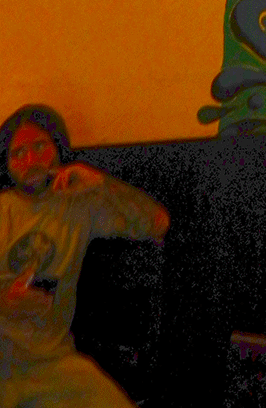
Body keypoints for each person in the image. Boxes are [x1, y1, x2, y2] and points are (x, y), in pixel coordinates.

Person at [0, 103, 170, 407]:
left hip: (52, 363)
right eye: (18, 153)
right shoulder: (3, 208)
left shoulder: (79, 204)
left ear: (58, 147)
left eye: (39, 147)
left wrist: (102, 184)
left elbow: (158, 223)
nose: (31, 161)